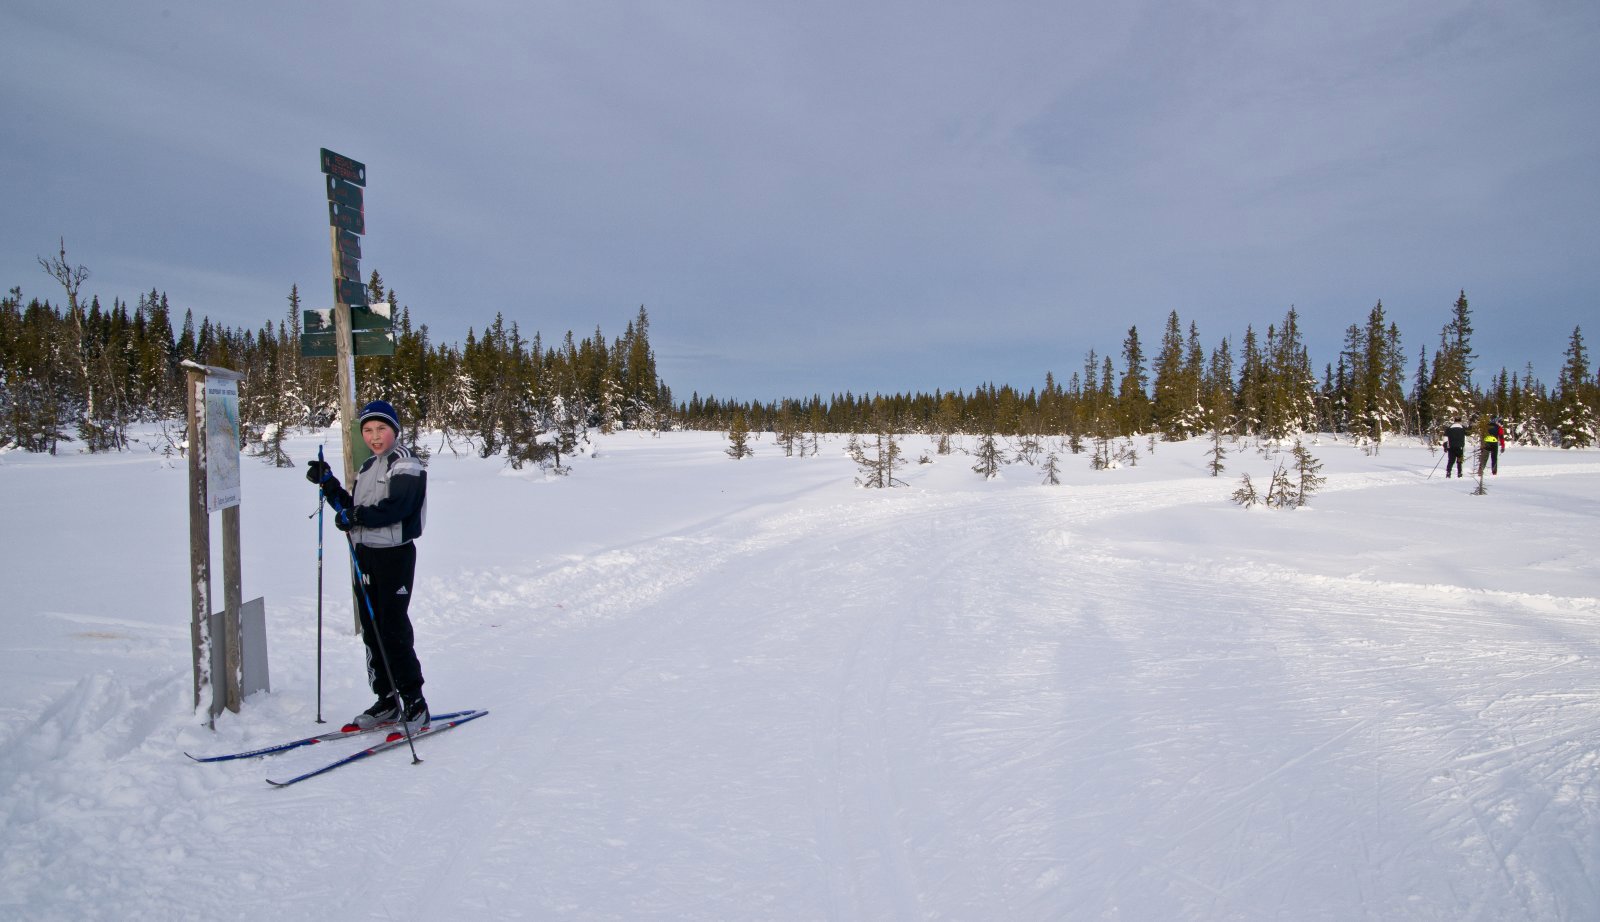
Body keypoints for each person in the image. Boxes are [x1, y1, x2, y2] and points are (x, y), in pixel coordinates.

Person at [306, 400, 430, 732]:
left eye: (381, 429)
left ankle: (415, 704)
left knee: (392, 627)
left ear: (394, 430)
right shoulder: (365, 468)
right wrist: (329, 484)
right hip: (365, 556)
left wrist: (355, 516)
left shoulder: (406, 463)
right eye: (368, 430)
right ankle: (387, 700)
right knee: (372, 631)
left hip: (395, 556)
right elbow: (350, 509)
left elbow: (398, 507)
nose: (375, 436)